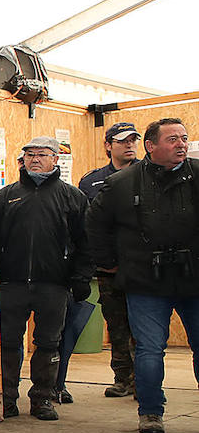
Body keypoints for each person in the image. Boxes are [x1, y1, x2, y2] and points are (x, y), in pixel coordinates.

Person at [86, 118, 198, 433]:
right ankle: (150, 412)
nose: (181, 144)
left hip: (194, 280)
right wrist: (108, 264)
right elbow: (95, 224)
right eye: (172, 139)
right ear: (151, 146)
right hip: (146, 283)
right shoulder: (122, 182)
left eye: (184, 138)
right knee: (149, 349)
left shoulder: (198, 175)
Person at [0, 138, 92, 422]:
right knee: (7, 343)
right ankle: (5, 400)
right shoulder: (6, 196)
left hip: (54, 284)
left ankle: (42, 399)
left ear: (55, 160)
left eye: (42, 154)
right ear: (22, 160)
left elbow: (87, 242)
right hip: (11, 283)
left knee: (49, 343)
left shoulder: (73, 197)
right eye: (29, 155)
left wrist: (81, 276)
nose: (35, 159)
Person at [78, 122, 139, 398]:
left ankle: (145, 380)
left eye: (133, 140)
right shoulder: (91, 181)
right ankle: (123, 377)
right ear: (108, 145)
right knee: (115, 323)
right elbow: (86, 224)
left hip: (140, 265)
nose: (129, 145)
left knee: (143, 325)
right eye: (123, 141)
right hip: (107, 266)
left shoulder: (147, 174)